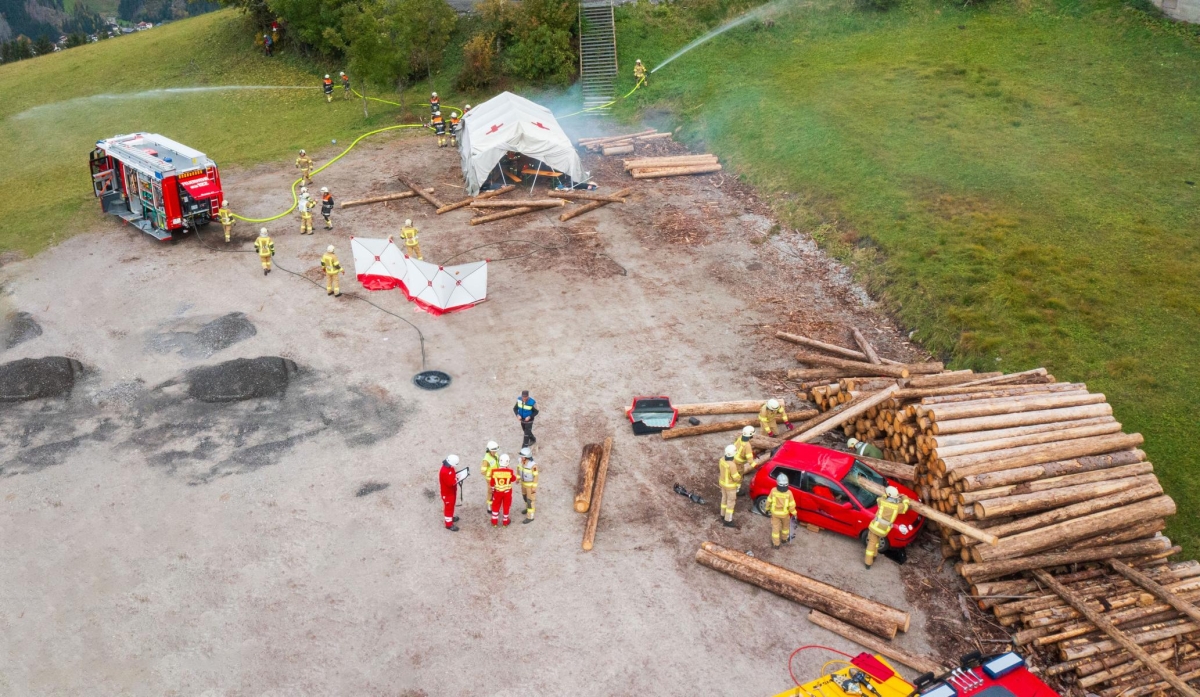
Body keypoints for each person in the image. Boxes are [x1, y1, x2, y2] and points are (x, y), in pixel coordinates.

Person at [865, 486, 908, 569]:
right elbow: (906, 506)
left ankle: (868, 563)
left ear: (888, 495)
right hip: (883, 530)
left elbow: (881, 498)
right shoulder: (897, 507)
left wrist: (887, 495)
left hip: (875, 527)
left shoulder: (882, 502)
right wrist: (903, 497)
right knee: (876, 542)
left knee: (871, 543)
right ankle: (874, 555)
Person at [765, 473, 797, 548]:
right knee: (785, 527)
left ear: (777, 482)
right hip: (785, 514)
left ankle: (776, 544)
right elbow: (792, 505)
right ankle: (784, 539)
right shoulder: (789, 493)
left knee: (775, 529)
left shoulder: (773, 490)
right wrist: (794, 514)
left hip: (775, 514)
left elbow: (768, 501)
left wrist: (766, 509)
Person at [489, 453, 517, 527]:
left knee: (495, 506)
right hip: (507, 493)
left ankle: (494, 522)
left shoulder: (494, 472)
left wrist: (492, 490)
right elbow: (514, 479)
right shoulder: (510, 472)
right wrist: (509, 468)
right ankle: (505, 522)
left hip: (497, 493)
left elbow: (492, 483)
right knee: (506, 506)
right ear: (507, 462)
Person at [718, 444, 741, 528]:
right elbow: (736, 477)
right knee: (730, 503)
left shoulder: (721, 460)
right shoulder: (732, 465)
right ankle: (728, 520)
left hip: (722, 483)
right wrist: (739, 478)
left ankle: (722, 514)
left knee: (724, 499)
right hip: (730, 487)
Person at [440, 454, 461, 532]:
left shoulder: (449, 468)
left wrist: (456, 477)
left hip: (451, 492)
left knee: (451, 507)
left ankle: (450, 518)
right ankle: (448, 524)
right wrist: (457, 479)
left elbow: (452, 476)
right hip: (447, 494)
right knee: (449, 508)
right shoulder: (444, 471)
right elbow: (450, 483)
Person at [517, 447, 538, 524]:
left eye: (523, 456)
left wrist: (534, 487)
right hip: (523, 484)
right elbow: (518, 470)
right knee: (525, 497)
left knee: (530, 501)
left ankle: (530, 517)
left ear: (527, 457)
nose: (521, 457)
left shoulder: (533, 466)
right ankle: (527, 509)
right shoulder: (520, 462)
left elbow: (536, 476)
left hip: (530, 486)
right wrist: (518, 478)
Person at [481, 441, 500, 509]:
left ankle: (495, 502)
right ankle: (489, 505)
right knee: (490, 491)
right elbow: (483, 471)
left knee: (496, 490)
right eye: (493, 451)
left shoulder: (495, 454)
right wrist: (492, 473)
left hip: (496, 477)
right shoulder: (486, 460)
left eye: (495, 451)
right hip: (490, 479)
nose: (495, 453)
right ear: (489, 450)